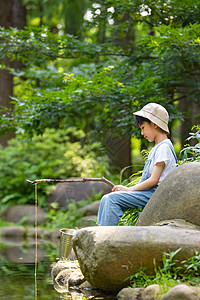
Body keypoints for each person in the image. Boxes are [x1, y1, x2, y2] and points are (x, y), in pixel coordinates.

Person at [97, 102, 177, 226]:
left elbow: (154, 180)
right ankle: (99, 234)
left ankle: (105, 239)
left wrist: (129, 190)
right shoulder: (158, 147)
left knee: (112, 200)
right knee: (106, 198)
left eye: (143, 127)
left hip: (157, 194)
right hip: (150, 193)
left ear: (154, 124)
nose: (142, 133)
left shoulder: (164, 147)